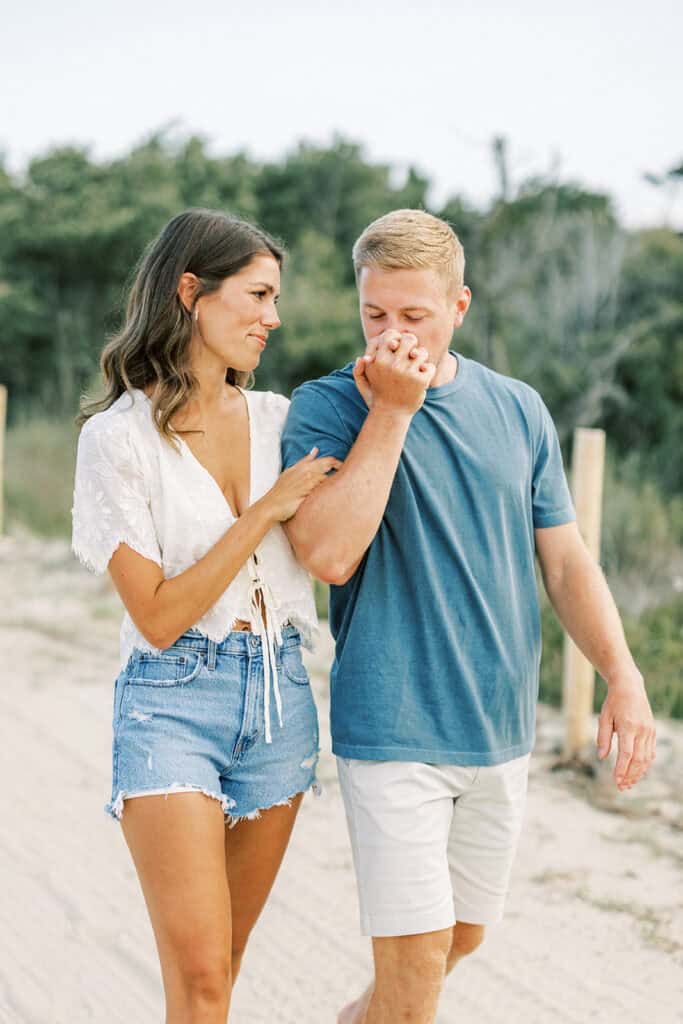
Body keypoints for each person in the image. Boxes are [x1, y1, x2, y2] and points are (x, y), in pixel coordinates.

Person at [281, 208, 657, 1024]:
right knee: (414, 988)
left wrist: (621, 675)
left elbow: (564, 561)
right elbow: (328, 556)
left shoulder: (518, 410)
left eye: (413, 316)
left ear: (458, 307)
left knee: (460, 940)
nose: (391, 336)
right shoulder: (324, 407)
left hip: (497, 730)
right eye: (374, 314)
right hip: (391, 728)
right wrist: (392, 411)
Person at [71, 208, 339, 1023]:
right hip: (170, 703)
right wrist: (262, 513)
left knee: (224, 966)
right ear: (191, 291)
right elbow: (154, 615)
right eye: (256, 295)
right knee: (200, 984)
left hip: (281, 704)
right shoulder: (116, 441)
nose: (274, 317)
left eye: (275, 297)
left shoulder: (282, 420)